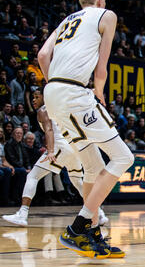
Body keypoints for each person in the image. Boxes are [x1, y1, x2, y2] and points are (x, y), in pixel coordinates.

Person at [38, 0, 134, 259]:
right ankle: (77, 227)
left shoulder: (67, 19)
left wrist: (55, 87)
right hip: (74, 93)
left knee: (93, 167)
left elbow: (43, 55)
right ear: (102, 0)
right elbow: (101, 65)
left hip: (53, 92)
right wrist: (99, 92)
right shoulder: (108, 15)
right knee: (123, 158)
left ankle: (90, 233)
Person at [2, 88, 109, 226]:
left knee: (32, 176)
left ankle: (22, 214)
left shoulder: (43, 110)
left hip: (60, 147)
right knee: (78, 182)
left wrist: (51, 151)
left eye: (37, 96)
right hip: (74, 148)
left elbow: (49, 130)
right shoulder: (59, 108)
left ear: (45, 97)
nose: (33, 100)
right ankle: (99, 213)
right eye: (33, 97)